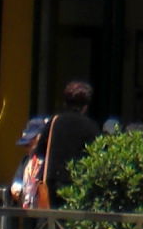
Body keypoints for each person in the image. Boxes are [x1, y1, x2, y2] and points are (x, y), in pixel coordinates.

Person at [30, 80, 102, 211]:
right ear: (86, 106)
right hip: (78, 185)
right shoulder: (91, 127)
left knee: (52, 225)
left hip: (52, 184)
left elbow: (40, 150)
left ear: (65, 103)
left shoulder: (54, 122)